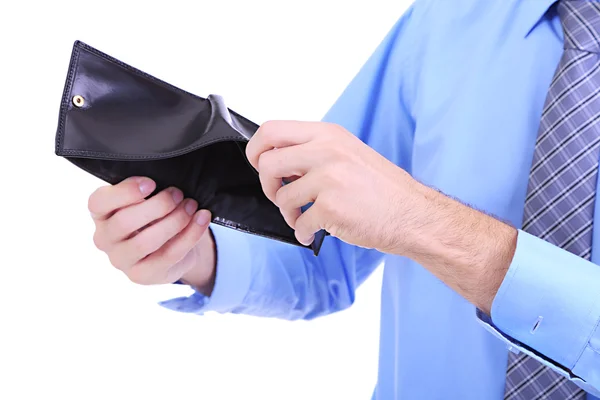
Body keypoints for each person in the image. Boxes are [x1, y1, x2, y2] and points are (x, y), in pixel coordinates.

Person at [86, 0, 600, 398]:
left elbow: (398, 215)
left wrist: (424, 223)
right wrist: (196, 251)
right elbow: (323, 247)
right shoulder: (450, 19)